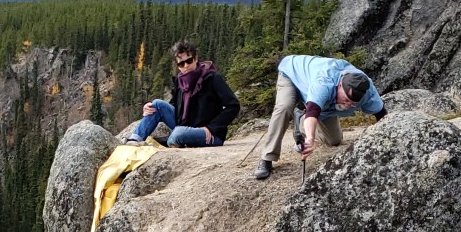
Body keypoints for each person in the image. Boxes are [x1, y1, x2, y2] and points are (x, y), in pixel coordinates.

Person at [254, 55, 387, 179]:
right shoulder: (325, 82)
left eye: (353, 104)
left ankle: (300, 118)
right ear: (340, 85)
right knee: (285, 107)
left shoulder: (367, 91)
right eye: (346, 100)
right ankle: (267, 157)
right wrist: (310, 139)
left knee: (333, 140)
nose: (347, 105)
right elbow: (312, 112)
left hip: (324, 103)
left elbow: (382, 115)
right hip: (292, 74)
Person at [127, 39, 240, 148]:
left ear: (195, 59)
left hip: (210, 134)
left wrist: (211, 127)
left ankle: (169, 141)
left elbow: (233, 106)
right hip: (186, 126)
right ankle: (134, 140)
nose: (186, 65)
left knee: (178, 133)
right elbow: (174, 108)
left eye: (189, 61)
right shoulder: (180, 82)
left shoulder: (212, 78)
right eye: (181, 64)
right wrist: (149, 108)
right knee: (156, 104)